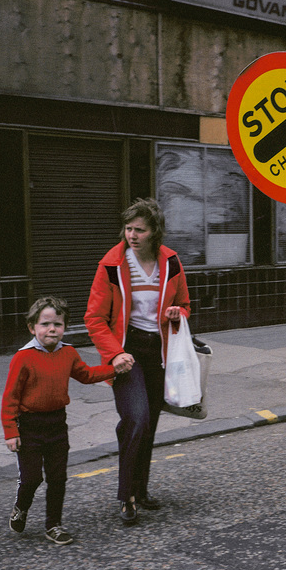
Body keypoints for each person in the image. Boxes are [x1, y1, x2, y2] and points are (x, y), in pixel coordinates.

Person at [85, 198, 191, 525]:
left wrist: (177, 314)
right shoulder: (113, 264)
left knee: (149, 425)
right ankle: (127, 495)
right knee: (137, 419)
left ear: (153, 232)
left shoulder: (171, 262)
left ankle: (141, 490)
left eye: (139, 230)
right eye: (129, 228)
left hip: (159, 353)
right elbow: (94, 318)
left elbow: (185, 305)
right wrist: (115, 353)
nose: (132, 235)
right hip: (126, 354)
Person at [2, 296, 118, 545]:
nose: (51, 329)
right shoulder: (23, 358)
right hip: (29, 427)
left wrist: (114, 369)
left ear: (65, 327)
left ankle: (53, 524)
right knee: (32, 478)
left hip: (57, 425)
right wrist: (11, 431)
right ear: (32, 328)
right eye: (45, 324)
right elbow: (10, 397)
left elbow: (86, 375)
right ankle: (21, 508)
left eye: (57, 324)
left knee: (58, 478)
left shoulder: (68, 353)